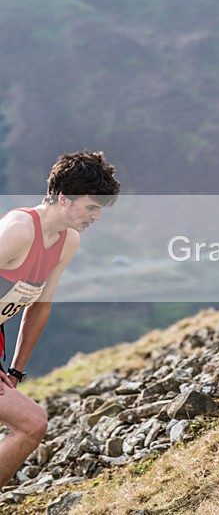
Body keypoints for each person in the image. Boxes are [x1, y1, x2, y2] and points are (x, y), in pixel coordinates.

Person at [0, 151, 120, 485]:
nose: (96, 216)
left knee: (30, 424)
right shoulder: (18, 231)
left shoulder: (67, 241)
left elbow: (40, 306)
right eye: (91, 207)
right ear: (63, 198)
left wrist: (16, 371)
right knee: (31, 423)